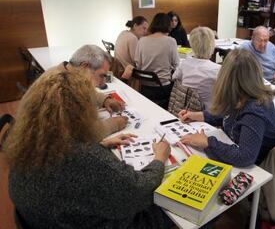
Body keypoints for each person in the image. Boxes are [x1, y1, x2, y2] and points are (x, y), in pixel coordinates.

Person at [4, 68, 172, 229]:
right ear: (81, 112)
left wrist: (101, 145)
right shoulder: (86, 158)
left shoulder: (26, 142)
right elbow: (140, 192)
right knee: (170, 214)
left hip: (44, 220)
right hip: (83, 223)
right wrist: (159, 159)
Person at [179, 49, 275, 167]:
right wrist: (197, 115)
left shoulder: (255, 110)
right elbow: (226, 114)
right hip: (240, 152)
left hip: (258, 167)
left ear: (226, 78)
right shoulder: (242, 95)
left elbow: (244, 157)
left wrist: (207, 142)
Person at [52, 44, 128, 136]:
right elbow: (82, 134)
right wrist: (114, 124)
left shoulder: (66, 72)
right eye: (101, 76)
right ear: (85, 66)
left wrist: (105, 100)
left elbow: (86, 92)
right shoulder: (62, 91)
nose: (103, 83)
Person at [134, 13, 180, 108]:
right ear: (168, 25)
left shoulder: (141, 40)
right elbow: (177, 65)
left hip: (145, 87)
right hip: (163, 88)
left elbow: (138, 64)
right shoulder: (171, 41)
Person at [172, 26, 221, 108]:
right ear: (212, 45)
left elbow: (174, 77)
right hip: (207, 114)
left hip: (185, 109)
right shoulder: (218, 69)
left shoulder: (185, 63)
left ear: (192, 45)